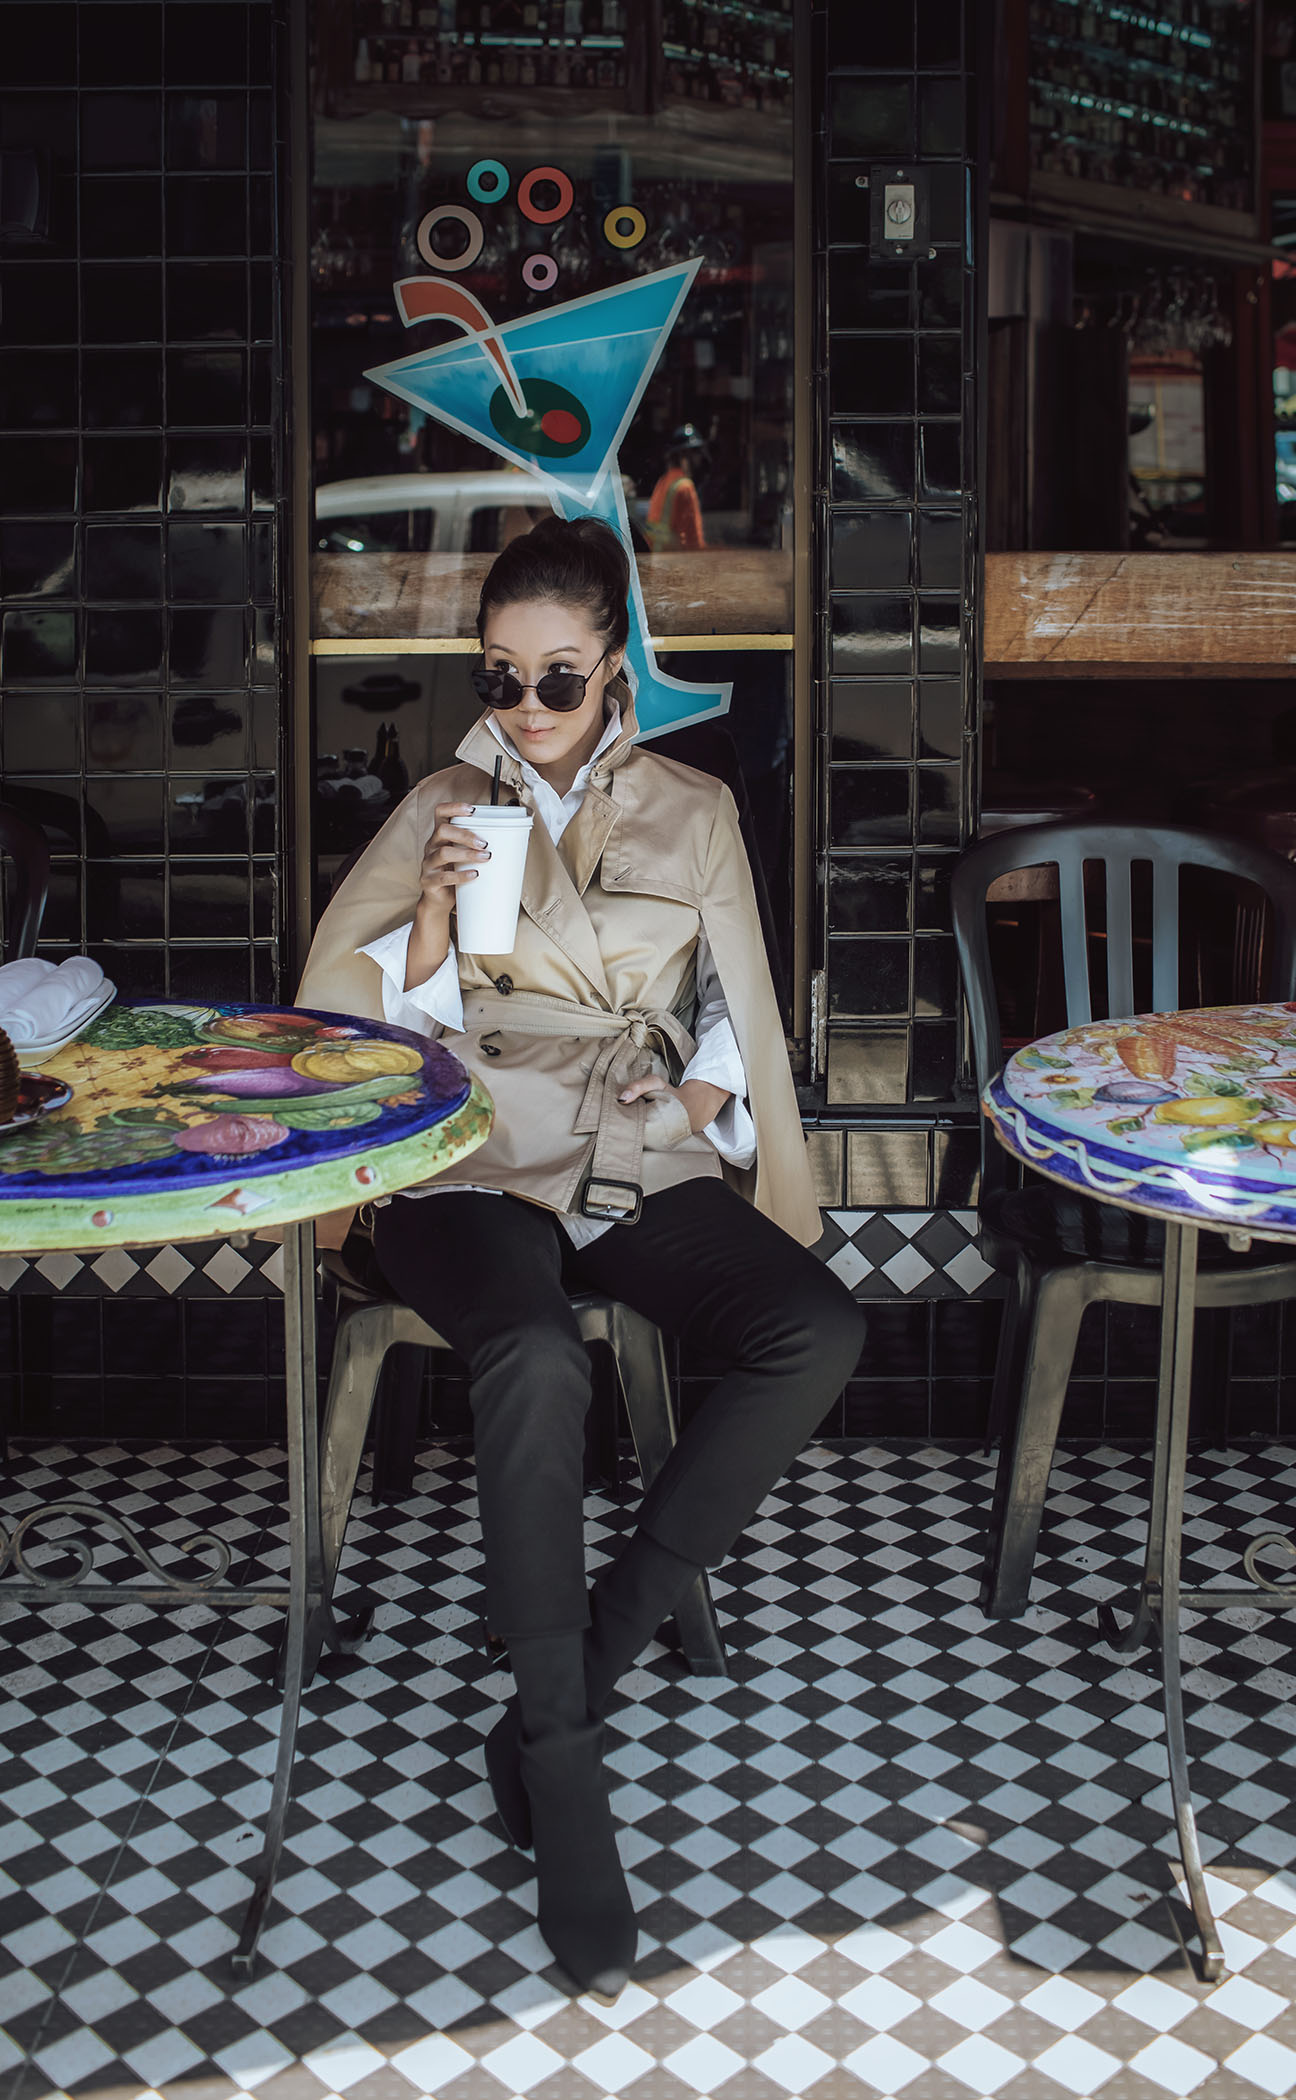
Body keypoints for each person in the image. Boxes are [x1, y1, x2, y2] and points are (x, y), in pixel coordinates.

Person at [297, 516, 864, 2001]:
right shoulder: (440, 799)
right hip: (469, 1147)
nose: (528, 712)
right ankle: (560, 1753)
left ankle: (592, 1666)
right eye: (501, 681)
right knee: (534, 1350)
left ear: (616, 663)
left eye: (557, 679)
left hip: (627, 1147)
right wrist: (428, 908)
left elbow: (739, 995)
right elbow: (359, 1033)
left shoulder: (695, 805)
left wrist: (690, 1097)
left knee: (814, 1332)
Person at [644, 425, 708, 551]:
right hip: (677, 563)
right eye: (696, 452)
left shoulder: (663, 481)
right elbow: (693, 538)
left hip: (656, 559)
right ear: (684, 456)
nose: (699, 458)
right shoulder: (685, 487)